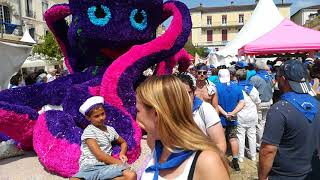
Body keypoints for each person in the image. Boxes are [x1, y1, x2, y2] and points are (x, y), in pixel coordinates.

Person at [136, 75, 229, 180]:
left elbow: (220, 143)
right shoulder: (156, 145)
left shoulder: (207, 162)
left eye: (137, 111)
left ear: (157, 114)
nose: (136, 117)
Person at [259, 60, 320, 180]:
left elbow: (268, 150)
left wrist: (262, 177)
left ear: (282, 79)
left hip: (285, 175)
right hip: (314, 171)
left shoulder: (279, 109)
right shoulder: (318, 104)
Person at [71, 96, 136, 180]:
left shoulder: (110, 130)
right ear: (88, 118)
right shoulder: (89, 131)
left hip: (105, 167)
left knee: (131, 175)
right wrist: (120, 163)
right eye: (96, 116)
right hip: (89, 167)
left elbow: (123, 142)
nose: (101, 118)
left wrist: (122, 153)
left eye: (102, 114)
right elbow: (99, 155)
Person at [176, 72, 226, 154]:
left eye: (188, 93)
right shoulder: (170, 110)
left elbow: (220, 144)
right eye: (180, 94)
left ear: (194, 91)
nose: (184, 98)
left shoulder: (206, 110)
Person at [216, 69, 245, 171]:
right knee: (233, 139)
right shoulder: (237, 87)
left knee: (221, 140)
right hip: (232, 118)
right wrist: (232, 113)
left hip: (220, 118)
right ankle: (235, 161)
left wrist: (225, 113)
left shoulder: (216, 87)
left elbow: (216, 104)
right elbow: (242, 102)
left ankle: (220, 161)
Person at [235, 69, 261, 163]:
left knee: (240, 136)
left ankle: (241, 156)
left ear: (237, 77)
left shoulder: (236, 88)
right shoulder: (253, 88)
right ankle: (253, 156)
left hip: (240, 115)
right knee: (252, 136)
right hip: (252, 115)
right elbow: (258, 101)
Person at [249, 60, 273, 150]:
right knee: (263, 123)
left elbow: (249, 91)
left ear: (256, 68)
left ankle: (259, 144)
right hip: (268, 102)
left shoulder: (254, 78)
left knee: (259, 124)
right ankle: (263, 141)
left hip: (259, 103)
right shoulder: (270, 77)